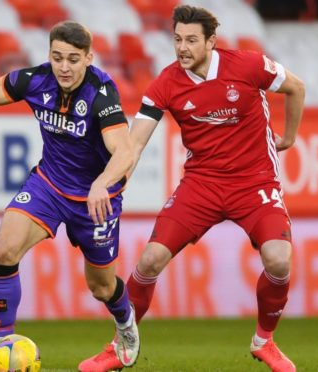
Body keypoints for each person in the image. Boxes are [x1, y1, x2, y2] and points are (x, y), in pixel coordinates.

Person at [79, 5, 304, 372]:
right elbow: (133, 145)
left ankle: (265, 340)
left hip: (255, 182)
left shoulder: (249, 65)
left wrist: (289, 138)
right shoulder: (165, 83)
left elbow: (296, 87)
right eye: (177, 39)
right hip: (202, 184)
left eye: (191, 40)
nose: (182, 48)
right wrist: (103, 181)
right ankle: (122, 345)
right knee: (149, 260)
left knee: (279, 259)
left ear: (211, 42)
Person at [0, 21, 140, 371]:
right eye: (57, 57)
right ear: (49, 55)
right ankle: (2, 343)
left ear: (89, 58)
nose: (64, 67)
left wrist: (101, 182)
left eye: (73, 59)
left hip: (96, 200)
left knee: (102, 287)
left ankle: (125, 324)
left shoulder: (101, 92)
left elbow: (125, 152)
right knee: (5, 248)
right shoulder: (35, 80)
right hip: (48, 184)